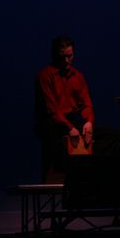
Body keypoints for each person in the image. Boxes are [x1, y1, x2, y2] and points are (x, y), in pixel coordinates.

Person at [34, 36, 95, 183]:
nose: (67, 61)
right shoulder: (45, 75)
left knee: (108, 136)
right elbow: (52, 109)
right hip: (53, 121)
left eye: (70, 56)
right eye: (63, 57)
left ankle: (89, 177)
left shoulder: (78, 76)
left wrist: (89, 122)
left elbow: (87, 105)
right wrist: (70, 128)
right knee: (51, 131)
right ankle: (57, 177)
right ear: (55, 56)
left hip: (72, 118)